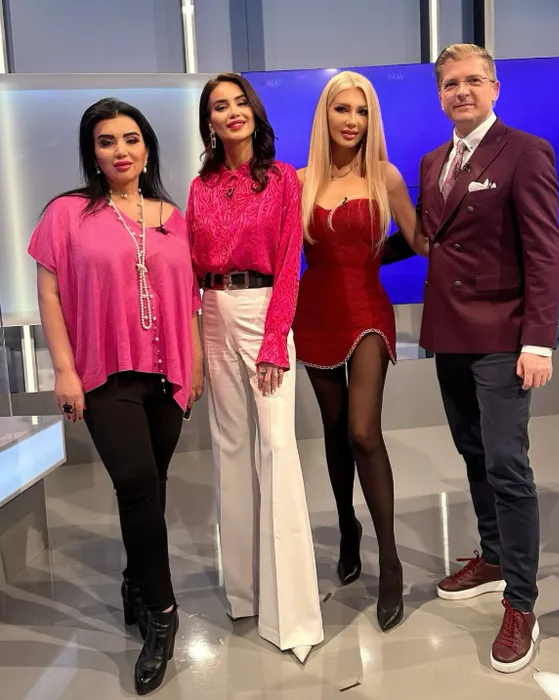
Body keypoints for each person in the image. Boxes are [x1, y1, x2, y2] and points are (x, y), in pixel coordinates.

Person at [28, 98, 203, 695]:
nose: (120, 150)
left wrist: (194, 364)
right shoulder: (67, 214)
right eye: (106, 141)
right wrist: (64, 370)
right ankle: (163, 615)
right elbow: (49, 294)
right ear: (93, 153)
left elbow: (190, 299)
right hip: (104, 375)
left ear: (147, 148)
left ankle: (134, 579)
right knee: (136, 484)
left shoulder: (174, 216)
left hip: (168, 373)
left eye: (131, 139)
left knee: (153, 485)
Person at [416, 43, 559, 673]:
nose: (462, 92)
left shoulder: (525, 151)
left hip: (504, 337)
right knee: (473, 452)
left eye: (473, 81)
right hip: (449, 333)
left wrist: (538, 340)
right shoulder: (432, 161)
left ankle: (521, 601)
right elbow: (427, 235)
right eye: (451, 84)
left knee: (508, 465)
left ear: (495, 88)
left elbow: (544, 250)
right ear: (440, 95)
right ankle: (493, 555)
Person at [186, 73, 323, 663]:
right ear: (210, 122)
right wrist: (193, 344)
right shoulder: (200, 187)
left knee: (278, 448)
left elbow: (291, 262)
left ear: (254, 111)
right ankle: (244, 593)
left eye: (240, 101)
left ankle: (293, 616)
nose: (232, 111)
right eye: (220, 106)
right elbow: (190, 269)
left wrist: (274, 340)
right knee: (230, 449)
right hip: (213, 311)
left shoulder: (283, 178)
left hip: (265, 307)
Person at [293, 71, 427, 633]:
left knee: (363, 431)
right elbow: (282, 254)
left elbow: (419, 240)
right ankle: (347, 525)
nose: (352, 121)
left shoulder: (385, 175)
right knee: (333, 430)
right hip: (314, 313)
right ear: (325, 115)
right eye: (342, 109)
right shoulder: (298, 181)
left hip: (369, 311)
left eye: (362, 111)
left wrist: (372, 255)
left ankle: (389, 560)